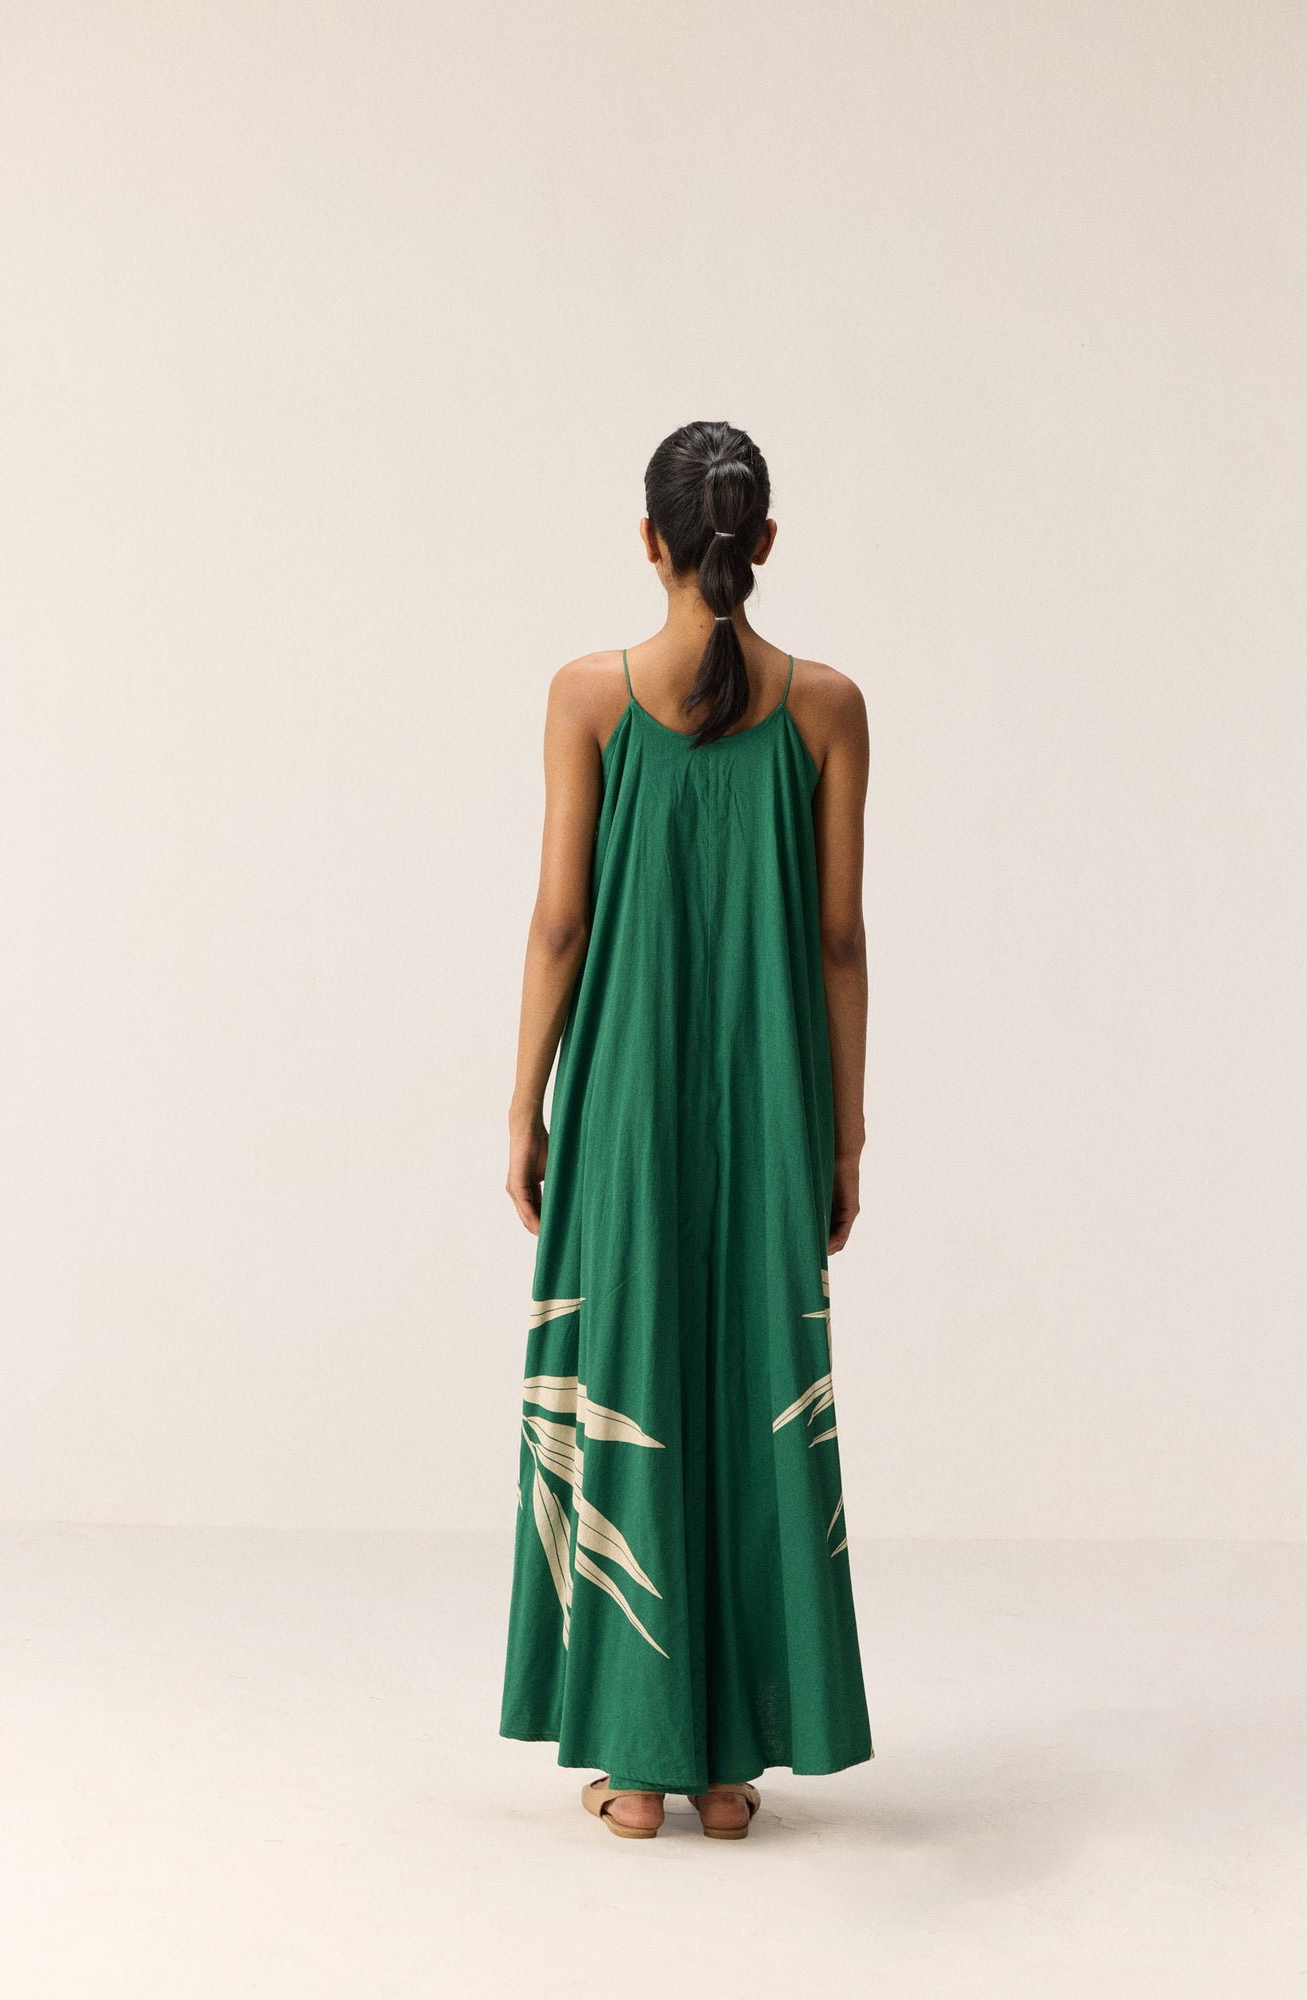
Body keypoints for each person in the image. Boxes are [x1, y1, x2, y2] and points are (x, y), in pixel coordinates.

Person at [499, 419, 873, 1841]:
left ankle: (637, 1764)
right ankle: (729, 1770)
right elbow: (837, 943)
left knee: (628, 1384)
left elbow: (559, 924)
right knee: (752, 1380)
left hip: (625, 1097)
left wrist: (525, 1101)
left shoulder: (587, 697)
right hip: (772, 1098)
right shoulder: (827, 707)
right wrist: (843, 1136)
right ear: (761, 542)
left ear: (650, 540)